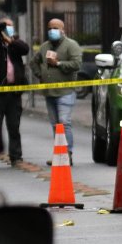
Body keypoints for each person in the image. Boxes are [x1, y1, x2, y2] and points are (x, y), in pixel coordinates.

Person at [0, 14, 30, 168]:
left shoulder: (15, 43)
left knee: (14, 126)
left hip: (13, 92)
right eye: (3, 25)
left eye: (8, 26)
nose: (5, 28)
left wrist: (9, 40)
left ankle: (16, 156)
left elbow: (25, 49)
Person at [32, 18, 82, 165]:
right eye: (50, 28)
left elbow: (77, 64)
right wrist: (40, 75)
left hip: (65, 92)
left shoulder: (71, 45)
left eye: (55, 28)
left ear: (62, 29)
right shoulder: (44, 46)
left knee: (64, 122)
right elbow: (33, 62)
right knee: (55, 125)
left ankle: (68, 152)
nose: (52, 30)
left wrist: (58, 64)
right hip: (49, 92)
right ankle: (59, 152)